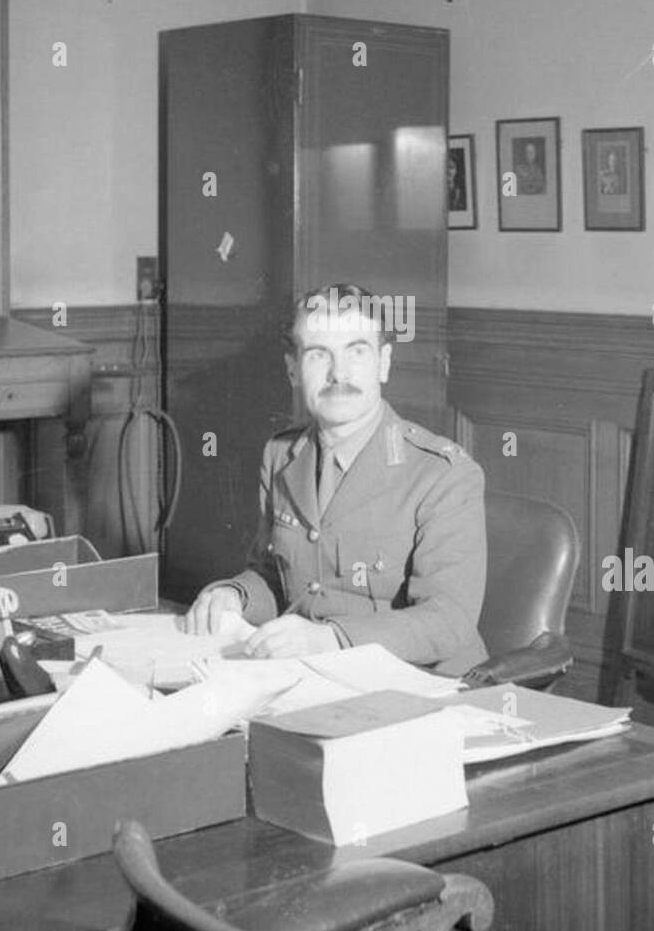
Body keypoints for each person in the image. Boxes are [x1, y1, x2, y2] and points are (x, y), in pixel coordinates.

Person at [183, 283, 488, 675]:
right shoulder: (280, 455)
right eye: (318, 354)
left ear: (384, 362)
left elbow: (448, 621)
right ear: (293, 369)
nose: (338, 373)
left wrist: (330, 639)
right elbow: (274, 578)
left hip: (422, 684)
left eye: (357, 351)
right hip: (313, 675)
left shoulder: (442, 474)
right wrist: (234, 595)